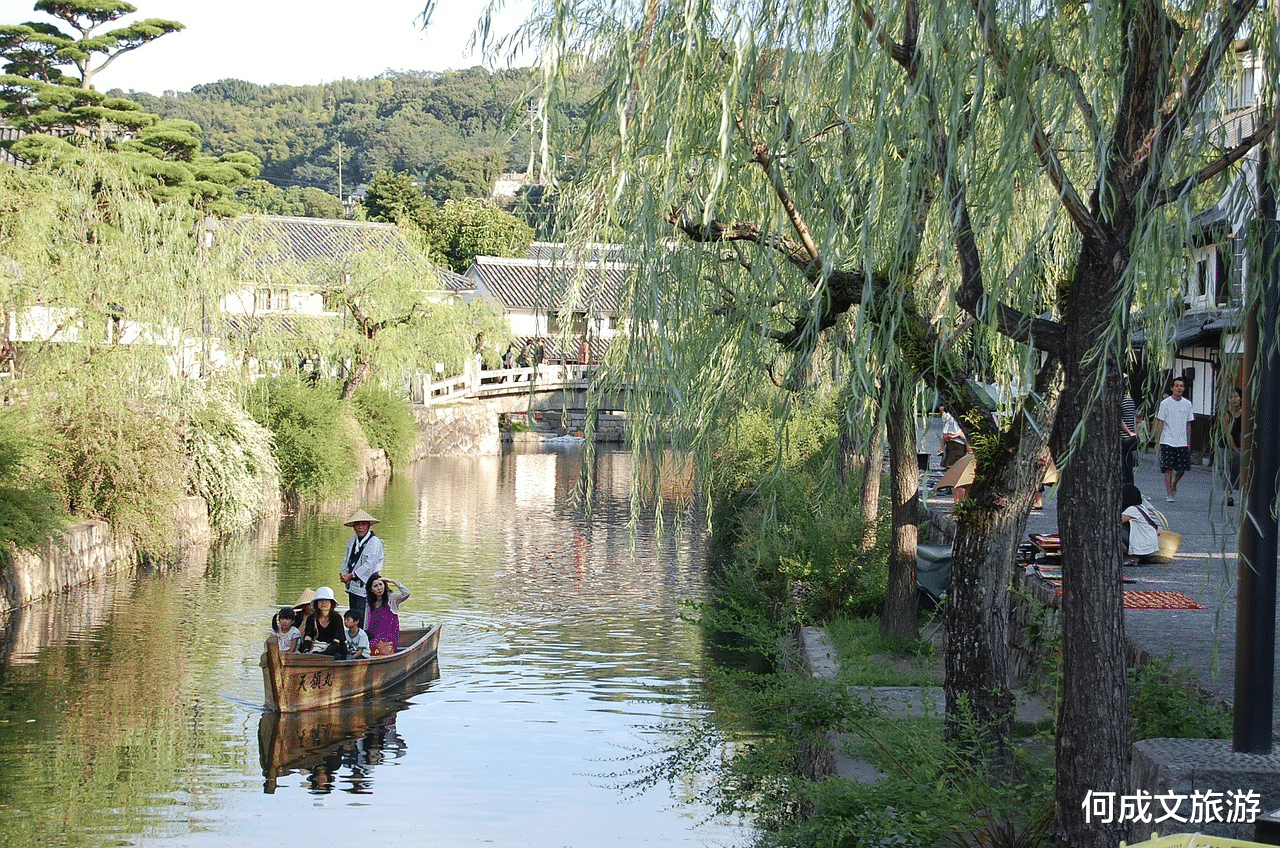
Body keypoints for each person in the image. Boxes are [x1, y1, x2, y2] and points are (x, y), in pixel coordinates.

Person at [339, 508, 384, 624]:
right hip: (353, 584)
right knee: (353, 614)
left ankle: (366, 639)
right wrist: (343, 574)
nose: (360, 527)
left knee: (364, 616)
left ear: (369, 526)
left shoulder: (374, 542)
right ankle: (354, 636)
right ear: (353, 527)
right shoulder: (353, 539)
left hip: (367, 583)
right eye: (357, 524)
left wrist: (352, 575)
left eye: (363, 524)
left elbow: (369, 564)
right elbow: (347, 558)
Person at [1155, 377, 1195, 502]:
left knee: (1182, 467)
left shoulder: (1187, 404)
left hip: (1181, 440)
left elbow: (1188, 424)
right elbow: (1161, 421)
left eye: (1181, 386)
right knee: (1167, 467)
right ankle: (1169, 493)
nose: (1179, 388)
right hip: (1167, 439)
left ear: (1184, 388)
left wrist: (1188, 442)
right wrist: (1158, 440)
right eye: (1176, 386)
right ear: (1172, 388)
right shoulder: (1165, 403)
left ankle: (1174, 482)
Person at [365, 573, 411, 654]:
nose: (379, 588)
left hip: (389, 640)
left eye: (380, 584)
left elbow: (406, 593)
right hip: (374, 638)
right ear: (371, 589)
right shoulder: (369, 603)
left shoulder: (392, 599)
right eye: (375, 586)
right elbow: (367, 623)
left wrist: (393, 581)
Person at [1120, 484, 1161, 562]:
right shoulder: (1141, 507)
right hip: (1149, 546)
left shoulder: (1132, 509)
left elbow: (1113, 522)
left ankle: (1131, 556)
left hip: (1143, 548)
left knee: (1114, 532)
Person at [302, 586, 345, 654]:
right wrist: (306, 650)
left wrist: (324, 654)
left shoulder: (337, 618)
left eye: (326, 600)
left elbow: (337, 640)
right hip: (316, 648)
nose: (323, 603)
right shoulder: (311, 618)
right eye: (321, 600)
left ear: (331, 603)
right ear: (317, 603)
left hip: (335, 649)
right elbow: (308, 636)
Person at [1222, 386, 1242, 507]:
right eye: (1231, 397)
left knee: (1238, 470)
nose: (1234, 399)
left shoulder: (1244, 412)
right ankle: (1228, 495)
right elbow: (1227, 433)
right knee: (1227, 470)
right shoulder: (1226, 413)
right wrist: (1234, 448)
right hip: (1226, 445)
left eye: (1236, 396)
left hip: (1241, 444)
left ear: (1240, 398)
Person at [1120, 386, 1139, 487]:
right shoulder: (1130, 400)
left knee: (1122, 464)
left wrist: (1128, 431)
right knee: (1129, 465)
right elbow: (1134, 417)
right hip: (1131, 438)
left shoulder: (1118, 400)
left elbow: (1119, 419)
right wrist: (1134, 432)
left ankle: (1125, 487)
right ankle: (1130, 486)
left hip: (1122, 437)